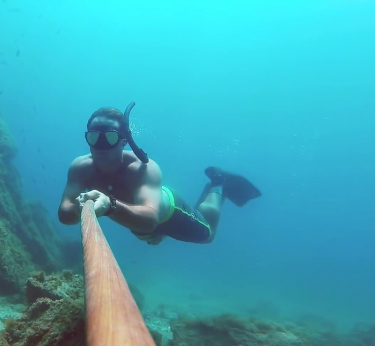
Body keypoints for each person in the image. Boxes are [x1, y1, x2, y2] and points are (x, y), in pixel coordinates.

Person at [57, 102, 261, 245]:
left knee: (208, 235)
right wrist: (78, 207)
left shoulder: (144, 168)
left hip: (168, 213)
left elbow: (150, 219)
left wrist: (109, 205)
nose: (101, 146)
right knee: (151, 238)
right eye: (93, 138)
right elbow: (65, 214)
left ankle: (218, 183)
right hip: (135, 216)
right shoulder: (80, 167)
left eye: (109, 138)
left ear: (124, 141)